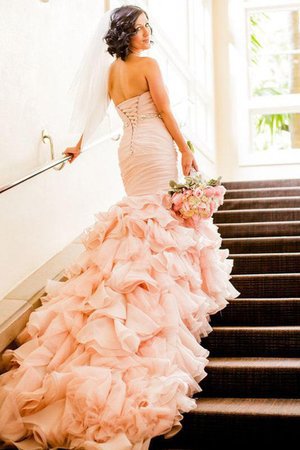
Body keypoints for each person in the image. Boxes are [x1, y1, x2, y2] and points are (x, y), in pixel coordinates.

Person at [0, 5, 240, 450]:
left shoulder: (111, 73)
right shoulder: (148, 65)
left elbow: (94, 114)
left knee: (141, 219)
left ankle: (137, 291)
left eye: (150, 27)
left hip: (128, 153)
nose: (149, 34)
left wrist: (75, 144)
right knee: (158, 223)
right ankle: (157, 299)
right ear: (127, 32)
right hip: (153, 146)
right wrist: (186, 152)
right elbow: (165, 112)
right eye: (142, 27)